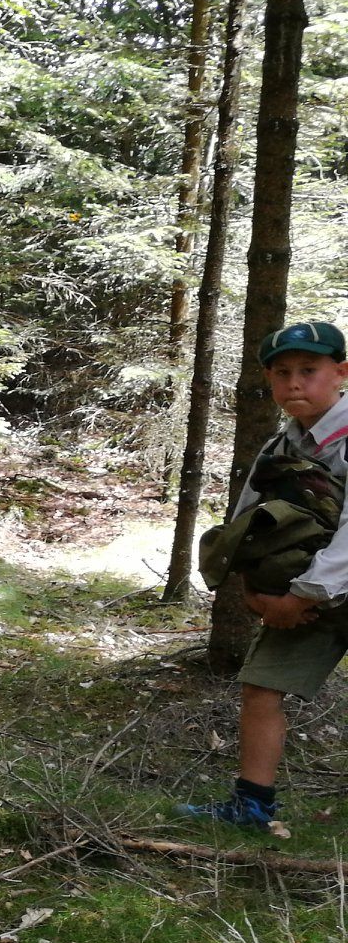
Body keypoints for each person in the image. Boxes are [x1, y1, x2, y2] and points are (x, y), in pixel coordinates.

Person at [178, 321, 348, 830]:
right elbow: (245, 523)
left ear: (341, 373)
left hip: (314, 591)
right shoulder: (278, 448)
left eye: (309, 371)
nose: (295, 383)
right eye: (282, 373)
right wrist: (256, 592)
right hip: (301, 598)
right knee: (261, 686)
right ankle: (251, 806)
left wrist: (303, 594)